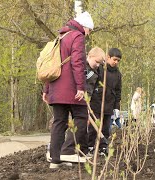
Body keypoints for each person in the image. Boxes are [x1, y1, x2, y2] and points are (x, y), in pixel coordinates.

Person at [42, 11, 94, 169]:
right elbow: (78, 63)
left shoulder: (60, 36)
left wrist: (47, 89)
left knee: (59, 122)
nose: (88, 34)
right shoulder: (77, 36)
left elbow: (51, 65)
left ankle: (55, 160)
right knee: (81, 116)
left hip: (56, 88)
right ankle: (78, 153)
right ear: (84, 27)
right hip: (71, 89)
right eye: (89, 30)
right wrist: (81, 87)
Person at [87, 48, 122, 156]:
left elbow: (118, 91)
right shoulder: (99, 69)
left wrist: (116, 107)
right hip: (96, 103)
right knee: (93, 127)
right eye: (114, 59)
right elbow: (91, 84)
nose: (116, 62)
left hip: (109, 104)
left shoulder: (118, 74)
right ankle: (90, 146)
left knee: (106, 128)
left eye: (118, 61)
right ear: (108, 57)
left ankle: (103, 147)